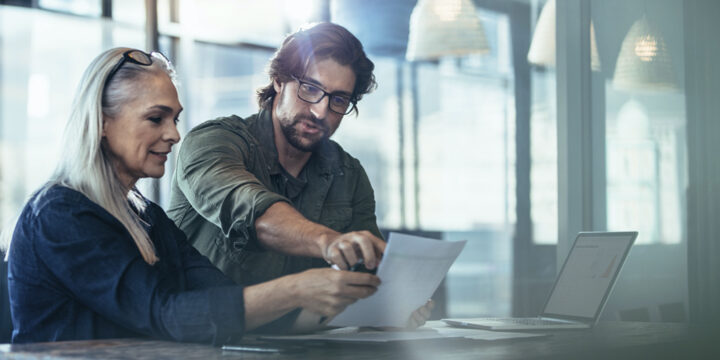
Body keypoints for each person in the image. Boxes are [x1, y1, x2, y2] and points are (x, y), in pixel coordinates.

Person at [3, 47, 384, 344]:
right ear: (102, 123)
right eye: (156, 118)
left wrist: (341, 298)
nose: (174, 135)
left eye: (175, 119)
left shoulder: (147, 216)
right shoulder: (60, 213)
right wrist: (299, 288)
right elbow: (167, 316)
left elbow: (227, 299)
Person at [168, 22, 433, 330]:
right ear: (279, 80)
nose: (321, 111)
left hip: (300, 343)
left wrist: (391, 305)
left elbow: (365, 275)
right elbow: (250, 210)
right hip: (198, 343)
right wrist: (328, 241)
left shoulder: (349, 174)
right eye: (310, 89)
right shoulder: (213, 142)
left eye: (338, 100)